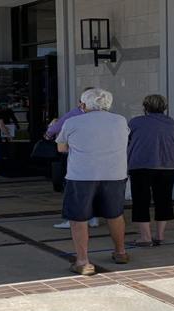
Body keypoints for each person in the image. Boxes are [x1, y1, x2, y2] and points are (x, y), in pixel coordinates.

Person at [55, 88, 130, 276]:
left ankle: (83, 261)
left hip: (81, 175)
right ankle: (120, 252)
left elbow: (61, 148)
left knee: (78, 218)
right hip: (114, 174)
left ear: (83, 104)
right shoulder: (120, 121)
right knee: (115, 215)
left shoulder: (73, 122)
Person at [127, 94, 174, 248]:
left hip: (140, 165)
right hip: (167, 165)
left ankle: (145, 237)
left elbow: (127, 140)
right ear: (164, 107)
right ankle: (160, 235)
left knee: (141, 200)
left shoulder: (135, 122)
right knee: (164, 200)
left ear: (145, 107)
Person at [46, 90, 92, 229]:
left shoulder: (74, 114)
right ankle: (93, 217)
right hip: (95, 158)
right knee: (92, 188)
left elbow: (57, 129)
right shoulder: (107, 118)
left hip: (74, 156)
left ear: (81, 102)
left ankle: (71, 219)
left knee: (72, 189)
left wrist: (48, 133)